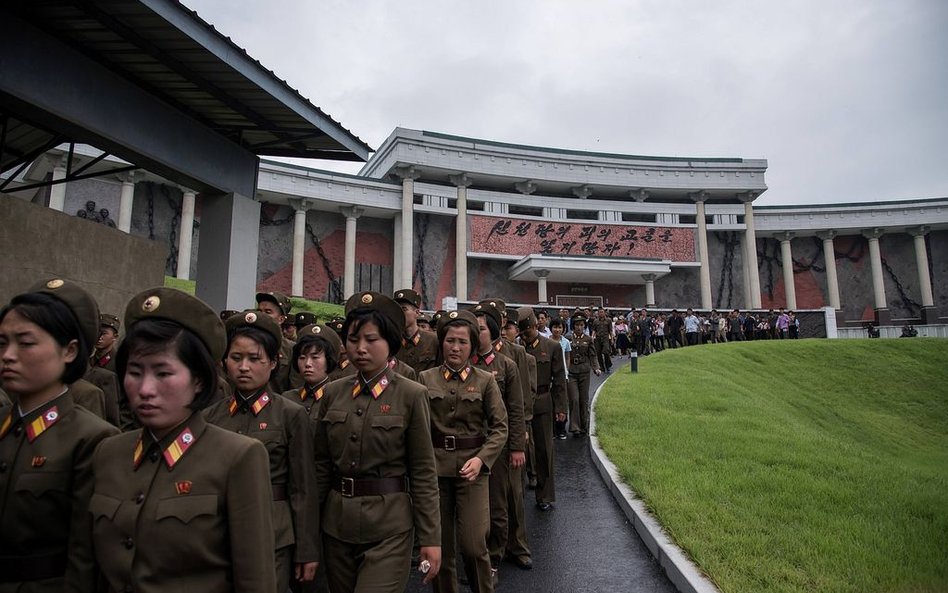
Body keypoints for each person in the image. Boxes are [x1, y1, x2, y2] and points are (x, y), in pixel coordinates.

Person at [85, 287, 276, 593]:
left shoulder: (237, 457)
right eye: (135, 372)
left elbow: (255, 579)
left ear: (199, 380)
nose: (145, 389)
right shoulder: (109, 452)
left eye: (163, 373)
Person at [314, 292, 441, 593]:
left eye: (371, 339)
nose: (360, 348)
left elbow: (423, 471)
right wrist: (309, 532)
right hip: (337, 525)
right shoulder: (333, 392)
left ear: (391, 343)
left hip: (390, 527)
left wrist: (431, 538)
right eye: (353, 339)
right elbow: (320, 465)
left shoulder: (411, 394)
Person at [0, 278, 119, 591]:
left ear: (70, 351)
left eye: (25, 343)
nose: (9, 355)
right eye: (2, 343)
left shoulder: (92, 439)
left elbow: (86, 557)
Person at [204, 310, 318, 593]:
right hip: (219, 530)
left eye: (254, 359)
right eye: (236, 358)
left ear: (273, 363)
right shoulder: (209, 417)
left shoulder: (290, 414)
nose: (244, 367)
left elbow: (302, 487)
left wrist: (306, 549)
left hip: (273, 533)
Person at [419, 310, 507, 593]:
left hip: (472, 472)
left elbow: (500, 427)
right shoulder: (424, 379)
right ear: (441, 342)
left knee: (473, 544)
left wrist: (482, 459)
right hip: (435, 472)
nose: (455, 347)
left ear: (472, 346)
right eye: (450, 341)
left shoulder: (485, 381)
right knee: (441, 549)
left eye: (462, 342)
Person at [469, 302, 526, 583]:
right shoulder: (465, 363)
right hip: (469, 444)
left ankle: (493, 559)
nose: (475, 333)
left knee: (497, 503)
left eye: (479, 329)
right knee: (470, 506)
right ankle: (474, 558)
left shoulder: (508, 366)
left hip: (498, 446)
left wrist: (517, 447)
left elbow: (516, 410)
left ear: (492, 333)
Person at [518, 307, 567, 511]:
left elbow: (559, 380)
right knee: (520, 450)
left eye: (527, 332)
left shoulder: (552, 346)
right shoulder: (517, 348)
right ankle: (521, 489)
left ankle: (545, 495)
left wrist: (560, 408)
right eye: (522, 334)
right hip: (520, 404)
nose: (525, 337)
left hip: (543, 401)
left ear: (534, 326)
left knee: (544, 450)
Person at [282, 323, 341, 422]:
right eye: (302, 357)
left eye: (315, 357)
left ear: (329, 360)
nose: (308, 364)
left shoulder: (338, 400)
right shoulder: (287, 399)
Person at [567, 312, 601, 436]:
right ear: (573, 326)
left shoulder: (588, 339)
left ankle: (584, 425)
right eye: (576, 325)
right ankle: (575, 426)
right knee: (574, 399)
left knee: (584, 399)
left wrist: (596, 368)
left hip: (584, 371)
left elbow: (592, 355)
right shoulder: (568, 338)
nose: (579, 327)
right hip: (571, 372)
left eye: (581, 325)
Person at [255, 291, 297, 392]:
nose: (262, 315)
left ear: (281, 319)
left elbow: (295, 387)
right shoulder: (245, 343)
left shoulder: (291, 349)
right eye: (259, 311)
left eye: (268, 312)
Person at [393, 289, 439, 374]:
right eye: (396, 309)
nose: (399, 313)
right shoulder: (392, 341)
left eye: (404, 309)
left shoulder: (433, 340)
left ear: (417, 313)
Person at [549, 317, 571, 439]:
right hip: (549, 376)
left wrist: (566, 371)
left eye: (560, 327)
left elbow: (567, 357)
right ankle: (552, 429)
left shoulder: (566, 342)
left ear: (563, 329)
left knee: (562, 402)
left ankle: (561, 429)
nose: (557, 330)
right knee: (551, 402)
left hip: (563, 376)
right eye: (555, 327)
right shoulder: (546, 341)